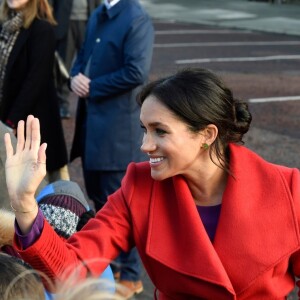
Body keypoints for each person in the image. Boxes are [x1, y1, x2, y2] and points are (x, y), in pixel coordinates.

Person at [5, 68, 300, 299]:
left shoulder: (289, 188)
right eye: (144, 129)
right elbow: (70, 271)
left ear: (207, 135)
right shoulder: (139, 187)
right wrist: (25, 206)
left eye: (160, 131)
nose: (145, 145)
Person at [69, 0, 154, 296]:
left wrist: (93, 86)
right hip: (92, 127)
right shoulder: (98, 13)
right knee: (98, 201)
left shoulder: (136, 18)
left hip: (116, 132)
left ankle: (130, 274)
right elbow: (82, 56)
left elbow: (137, 72)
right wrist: (74, 76)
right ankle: (113, 267)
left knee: (122, 204)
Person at [0, 0, 69, 183]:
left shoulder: (42, 29)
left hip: (31, 124)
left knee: (37, 191)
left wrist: (10, 121)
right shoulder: (4, 27)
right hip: (6, 117)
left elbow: (35, 81)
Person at [49, 0, 101, 119]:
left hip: (88, 21)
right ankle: (62, 104)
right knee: (64, 66)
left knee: (90, 65)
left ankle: (90, 102)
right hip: (65, 22)